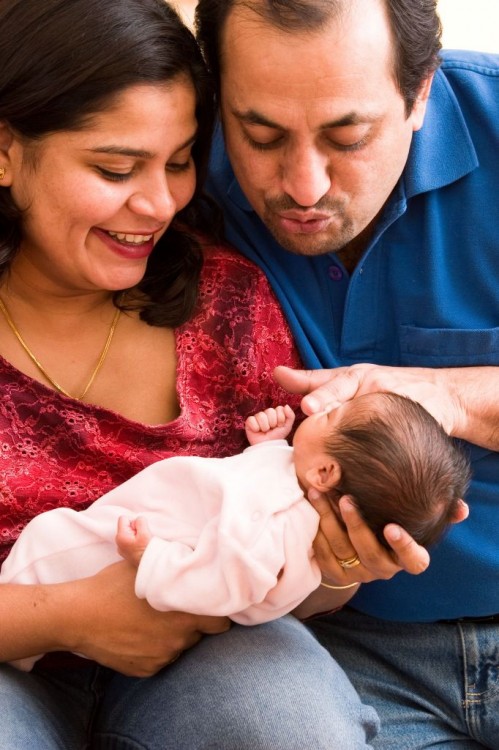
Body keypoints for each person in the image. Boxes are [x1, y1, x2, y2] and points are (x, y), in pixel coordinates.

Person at [0, 1, 385, 748]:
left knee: (281, 723)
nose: (158, 205)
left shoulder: (227, 303)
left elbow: (279, 559)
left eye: (178, 161)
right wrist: (73, 615)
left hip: (213, 654)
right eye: (115, 168)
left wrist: (336, 564)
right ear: (7, 150)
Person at [195, 0, 499, 747]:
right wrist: (326, 575)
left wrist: (446, 394)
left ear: (420, 89)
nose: (302, 186)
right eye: (259, 136)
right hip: (344, 651)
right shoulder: (172, 176)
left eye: (347, 136)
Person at [2, 392, 470, 672]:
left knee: (45, 542)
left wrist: (152, 561)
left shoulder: (272, 520)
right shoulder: (294, 486)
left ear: (325, 472)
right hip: (107, 584)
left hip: (113, 566)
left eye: (331, 418)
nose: (321, 411)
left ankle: (19, 659)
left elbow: (224, 584)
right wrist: (267, 447)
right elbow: (253, 485)